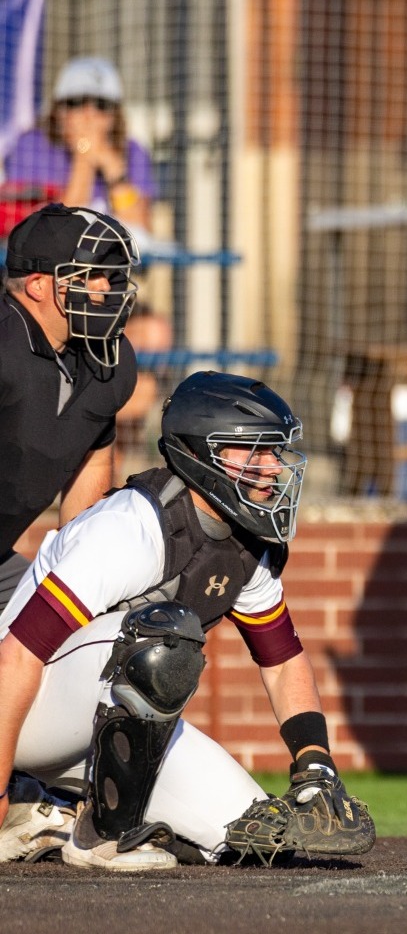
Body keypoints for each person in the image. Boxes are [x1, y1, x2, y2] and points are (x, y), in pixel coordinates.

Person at [0, 371, 374, 870]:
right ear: (199, 451)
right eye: (253, 451)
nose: (271, 468)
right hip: (25, 709)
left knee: (258, 834)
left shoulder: (248, 546)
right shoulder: (131, 526)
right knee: (160, 635)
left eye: (274, 451)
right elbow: (18, 654)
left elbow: (283, 663)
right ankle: (97, 834)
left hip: (101, 727)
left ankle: (55, 806)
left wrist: (316, 763)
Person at [0, 205, 140, 607]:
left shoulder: (107, 360)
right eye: (88, 274)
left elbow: (92, 464)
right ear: (39, 285)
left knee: (77, 627)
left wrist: (83, 582)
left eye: (110, 274)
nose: (105, 287)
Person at [3, 57, 155, 239]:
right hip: (52, 264)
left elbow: (140, 232)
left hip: (111, 263)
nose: (89, 114)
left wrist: (113, 168)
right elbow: (53, 234)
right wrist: (85, 158)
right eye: (76, 103)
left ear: (115, 114)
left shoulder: (133, 151)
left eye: (101, 105)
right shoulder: (32, 146)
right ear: (58, 110)